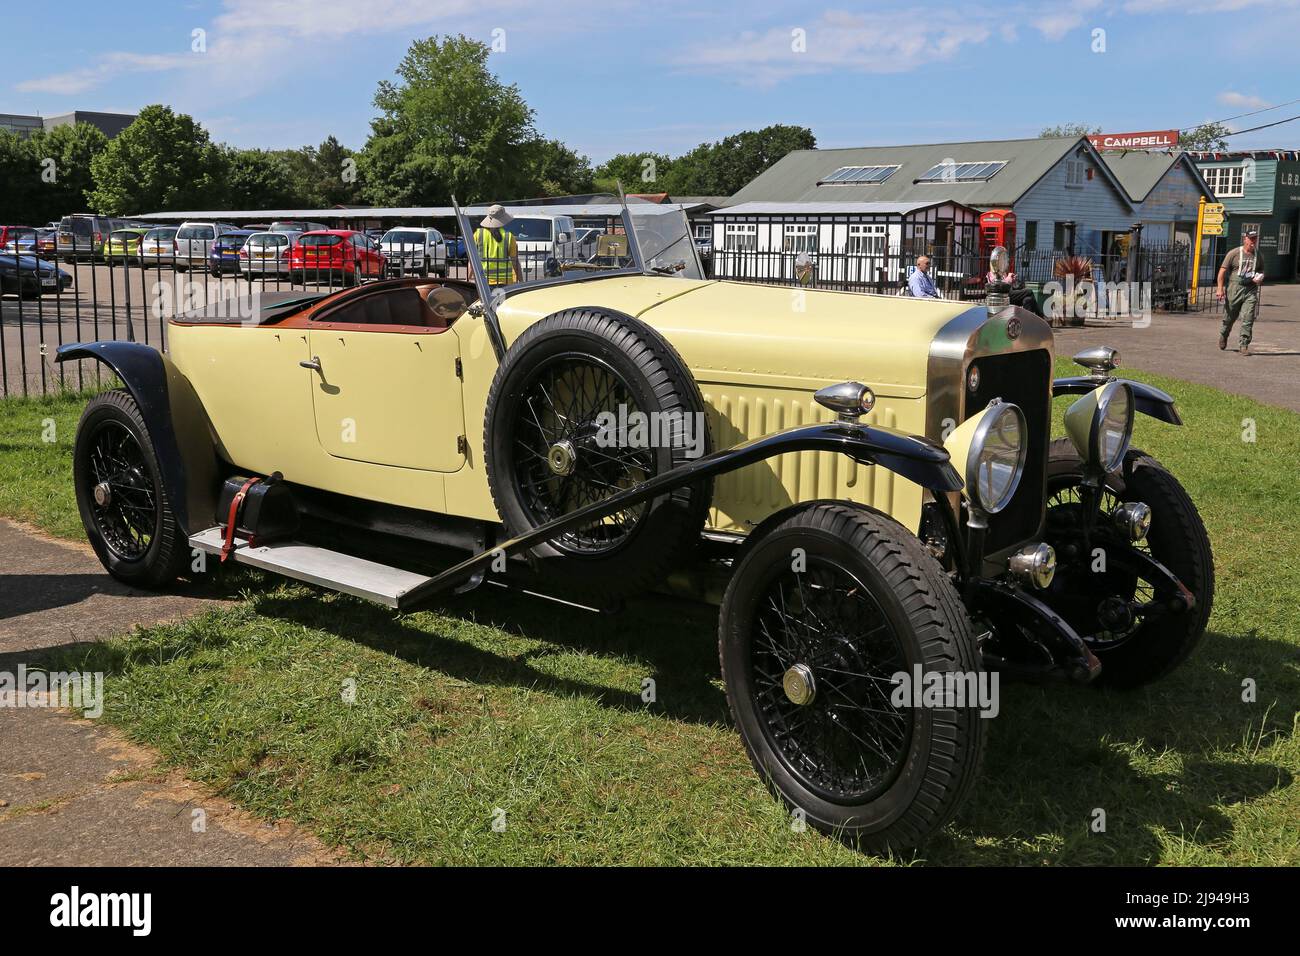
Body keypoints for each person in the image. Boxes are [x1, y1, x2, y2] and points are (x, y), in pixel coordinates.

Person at [1216, 229, 1264, 355]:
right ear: (1245, 239)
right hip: (1235, 288)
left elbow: (1261, 271)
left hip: (1250, 289)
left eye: (1255, 239)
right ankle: (1224, 334)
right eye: (1251, 238)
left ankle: (1244, 345)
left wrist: (1260, 277)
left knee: (1248, 317)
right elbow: (1222, 271)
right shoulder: (1234, 253)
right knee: (1229, 317)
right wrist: (1220, 288)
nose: (1253, 241)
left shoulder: (1258, 256)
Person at [474, 204, 523, 286]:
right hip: (505, 282)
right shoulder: (509, 236)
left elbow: (472, 261)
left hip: (484, 281)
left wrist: (468, 278)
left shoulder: (478, 234)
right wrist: (521, 280)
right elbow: (515, 261)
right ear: (503, 219)